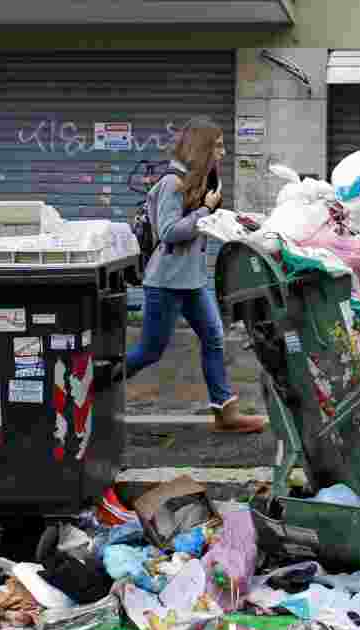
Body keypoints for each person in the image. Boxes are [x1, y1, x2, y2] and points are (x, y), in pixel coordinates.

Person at [124, 117, 266, 433]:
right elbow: (171, 231)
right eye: (217, 146)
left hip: (193, 281)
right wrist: (206, 210)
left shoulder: (198, 183)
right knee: (150, 351)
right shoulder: (171, 184)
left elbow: (200, 225)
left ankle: (225, 412)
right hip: (166, 282)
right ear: (201, 148)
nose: (223, 152)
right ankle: (98, 384)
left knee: (214, 338)